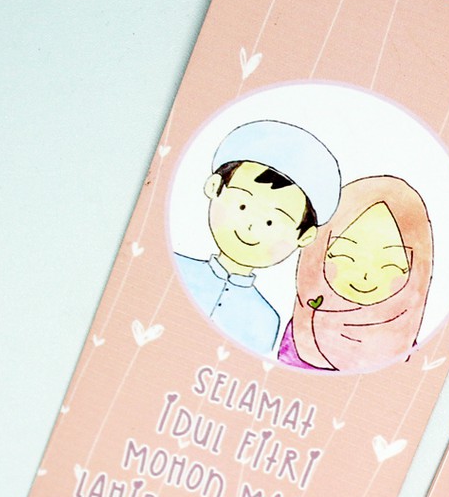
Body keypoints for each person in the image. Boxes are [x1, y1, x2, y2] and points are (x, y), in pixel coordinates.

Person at [175, 120, 341, 354]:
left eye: (271, 222)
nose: (252, 226)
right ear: (214, 187)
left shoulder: (266, 322)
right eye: (242, 206)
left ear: (304, 236)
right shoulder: (174, 268)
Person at [277, 175, 433, 372]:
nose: (365, 275)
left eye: (389, 266)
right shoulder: (300, 333)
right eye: (345, 256)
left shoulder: (408, 356)